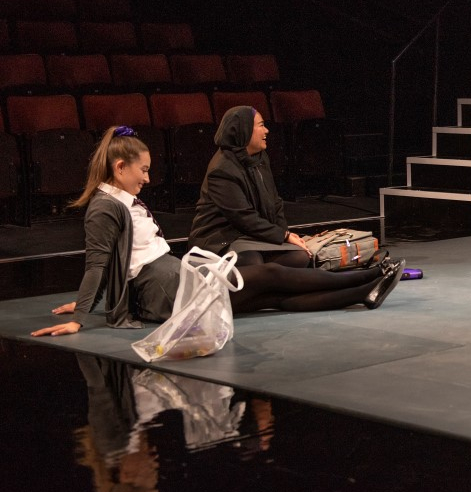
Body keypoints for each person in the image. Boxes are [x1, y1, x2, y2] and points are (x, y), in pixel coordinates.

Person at [31, 126, 402, 338]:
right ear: (119, 167)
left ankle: (364, 291)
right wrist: (81, 314)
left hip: (177, 277)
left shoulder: (120, 199)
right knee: (269, 276)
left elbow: (116, 263)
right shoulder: (103, 207)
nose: (147, 178)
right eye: (142, 170)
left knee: (272, 297)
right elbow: (99, 263)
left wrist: (88, 304)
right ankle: (368, 277)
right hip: (166, 292)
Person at [188, 105, 315, 266]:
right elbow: (243, 217)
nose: (267, 130)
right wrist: (283, 236)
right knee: (251, 261)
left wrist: (286, 234)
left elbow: (275, 202)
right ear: (244, 130)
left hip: (251, 235)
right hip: (222, 238)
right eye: (261, 125)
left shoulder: (260, 158)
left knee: (298, 257)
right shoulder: (222, 169)